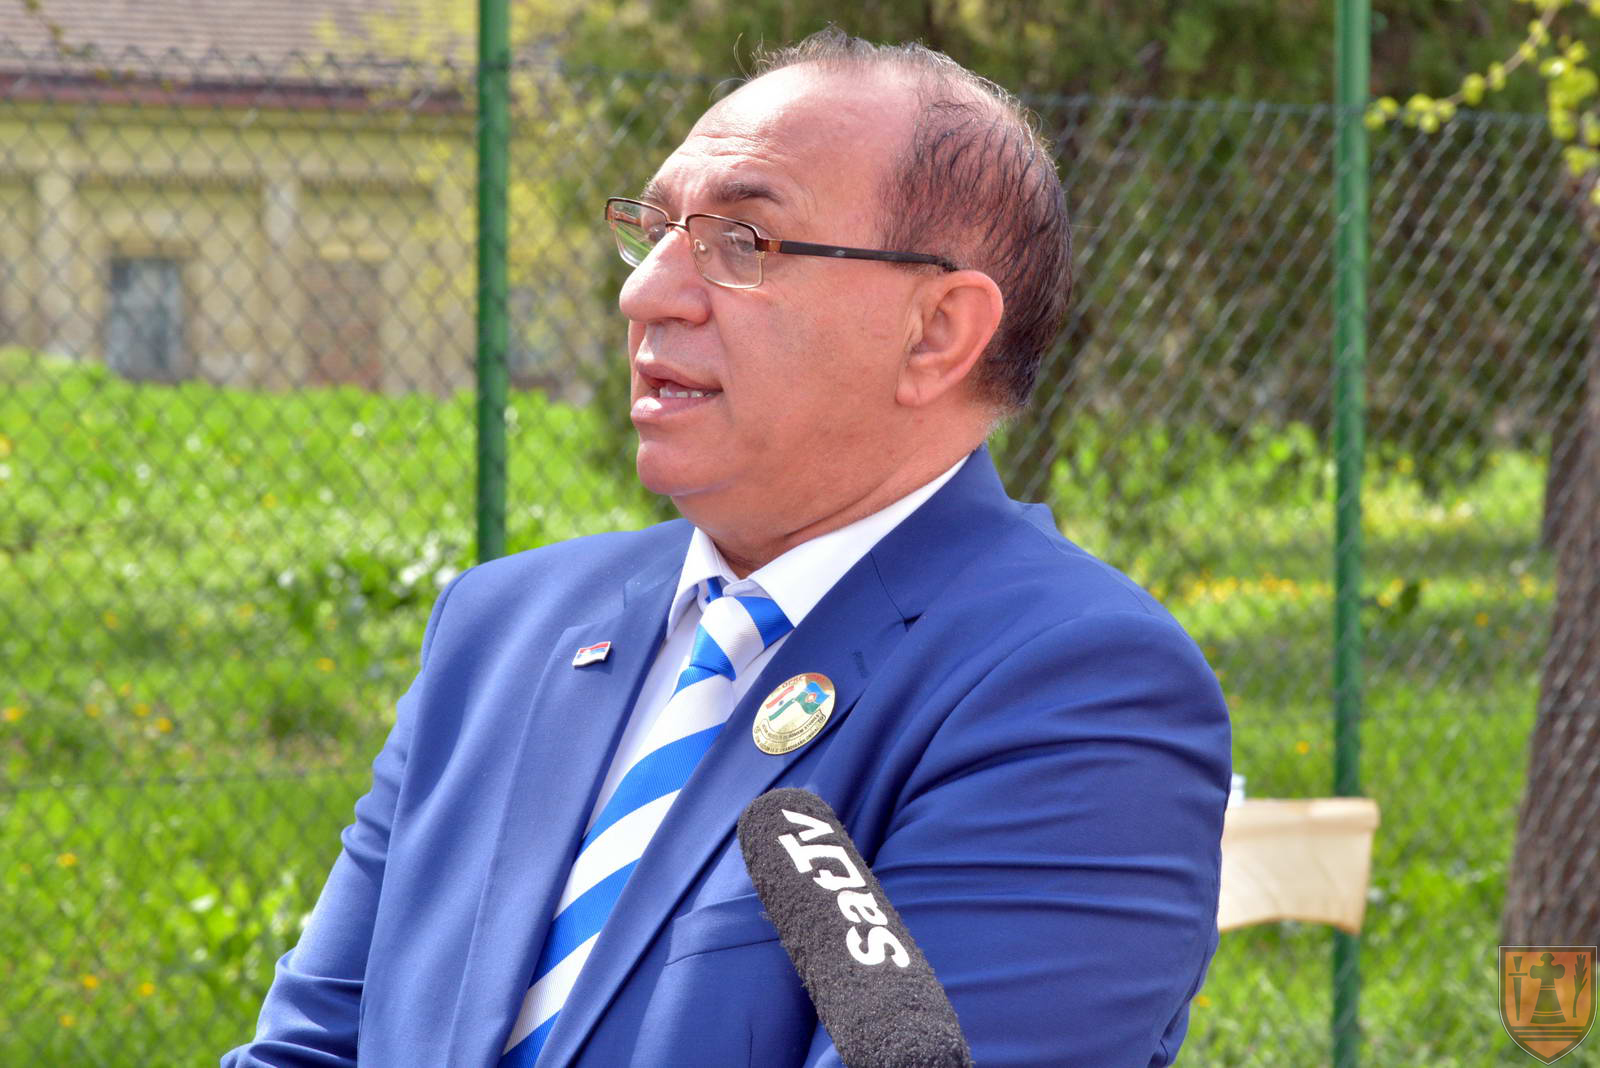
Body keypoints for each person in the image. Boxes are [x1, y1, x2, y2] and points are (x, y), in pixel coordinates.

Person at [224, 29, 1230, 1068]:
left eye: (742, 242)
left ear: (935, 333)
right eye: (654, 230)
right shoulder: (503, 629)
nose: (645, 294)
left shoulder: (1072, 690)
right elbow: (313, 1048)